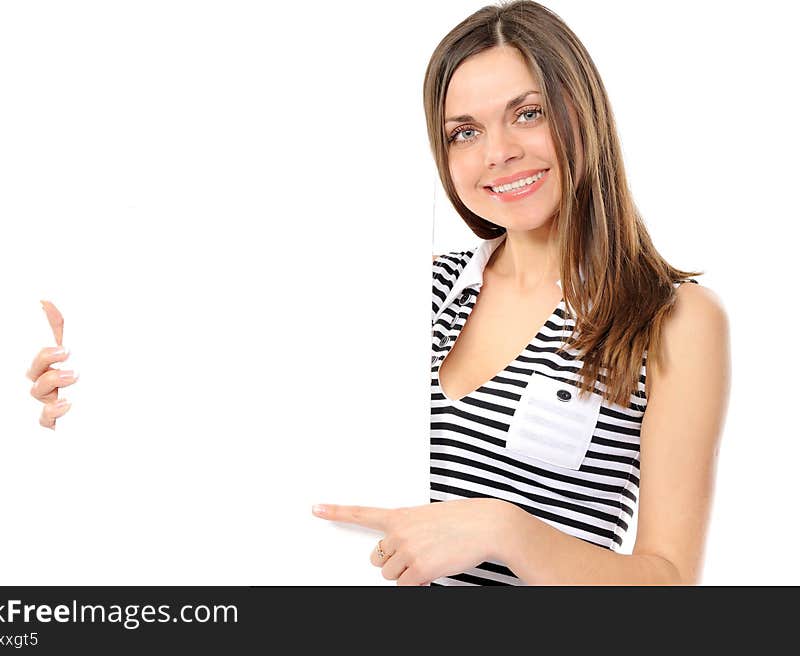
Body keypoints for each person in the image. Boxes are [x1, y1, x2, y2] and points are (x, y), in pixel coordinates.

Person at [311, 0, 730, 585]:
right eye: (465, 131)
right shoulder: (413, 292)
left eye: (528, 114)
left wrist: (505, 530)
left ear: (581, 113)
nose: (498, 152)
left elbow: (669, 585)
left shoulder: (670, 319)